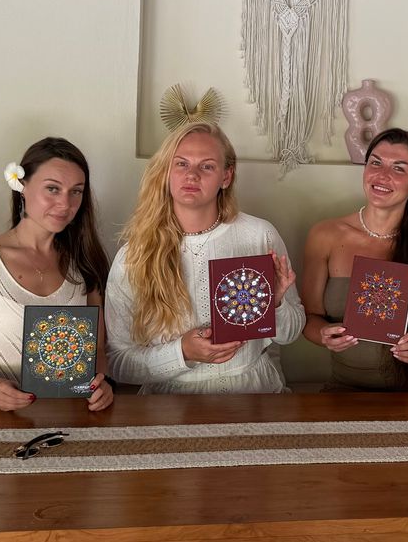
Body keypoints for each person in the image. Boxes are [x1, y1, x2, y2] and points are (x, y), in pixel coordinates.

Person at [105, 122, 303, 393]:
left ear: (226, 177)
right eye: (181, 164)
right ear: (166, 172)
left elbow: (291, 334)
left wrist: (276, 304)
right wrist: (182, 352)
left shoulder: (260, 236)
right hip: (169, 402)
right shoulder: (133, 257)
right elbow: (118, 363)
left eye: (207, 166)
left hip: (253, 394)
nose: (192, 175)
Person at [0, 137, 113, 411]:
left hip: (73, 419)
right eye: (52, 188)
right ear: (21, 187)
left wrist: (101, 385)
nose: (65, 203)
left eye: (76, 191)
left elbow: (96, 351)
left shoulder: (85, 261)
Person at [300, 128, 408, 390]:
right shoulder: (324, 236)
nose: (382, 175)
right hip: (345, 388)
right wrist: (323, 335)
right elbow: (309, 318)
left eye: (399, 168)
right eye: (376, 163)